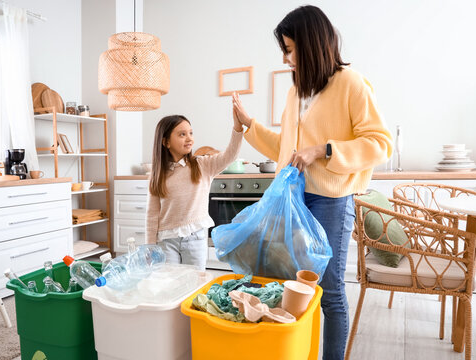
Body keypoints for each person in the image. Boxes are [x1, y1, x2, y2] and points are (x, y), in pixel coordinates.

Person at [232, 5, 393, 360]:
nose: (287, 59)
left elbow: (380, 143)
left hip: (330, 200)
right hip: (292, 200)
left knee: (330, 290)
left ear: (310, 43)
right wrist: (249, 125)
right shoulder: (296, 92)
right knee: (296, 287)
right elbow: (286, 149)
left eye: (289, 50)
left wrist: (323, 149)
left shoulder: (350, 83)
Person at [146, 110, 244, 270]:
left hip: (195, 237)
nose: (189, 138)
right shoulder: (157, 174)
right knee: (170, 283)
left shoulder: (202, 165)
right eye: (182, 134)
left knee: (195, 281)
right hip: (166, 240)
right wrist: (149, 246)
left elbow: (230, 156)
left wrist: (238, 128)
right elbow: (152, 213)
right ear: (166, 142)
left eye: (190, 133)